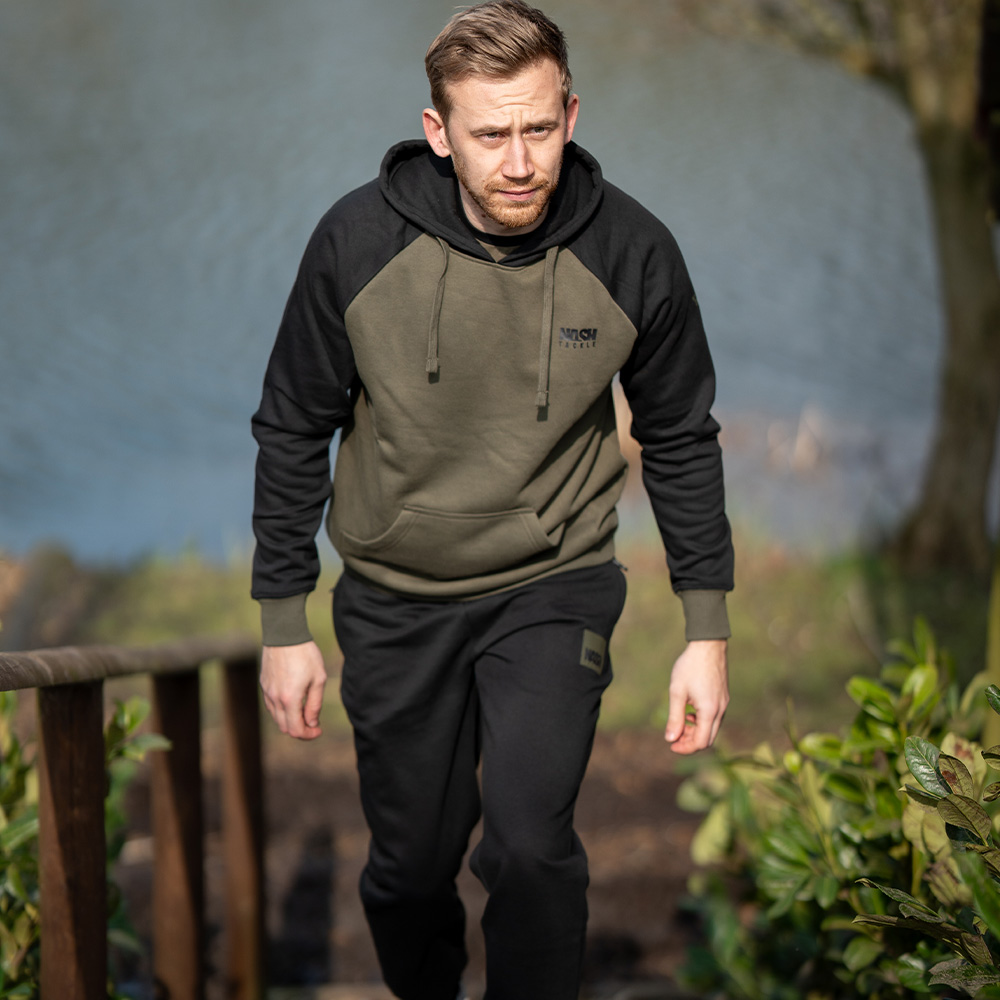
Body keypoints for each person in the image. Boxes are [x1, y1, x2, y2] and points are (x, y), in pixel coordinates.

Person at [250, 1, 733, 997]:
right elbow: (293, 424)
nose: (520, 162)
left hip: (553, 586)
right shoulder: (356, 242)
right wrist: (282, 621)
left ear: (571, 115)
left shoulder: (632, 251)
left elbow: (682, 435)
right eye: (490, 135)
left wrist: (705, 626)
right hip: (394, 596)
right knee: (409, 872)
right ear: (439, 133)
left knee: (530, 847)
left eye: (539, 129)